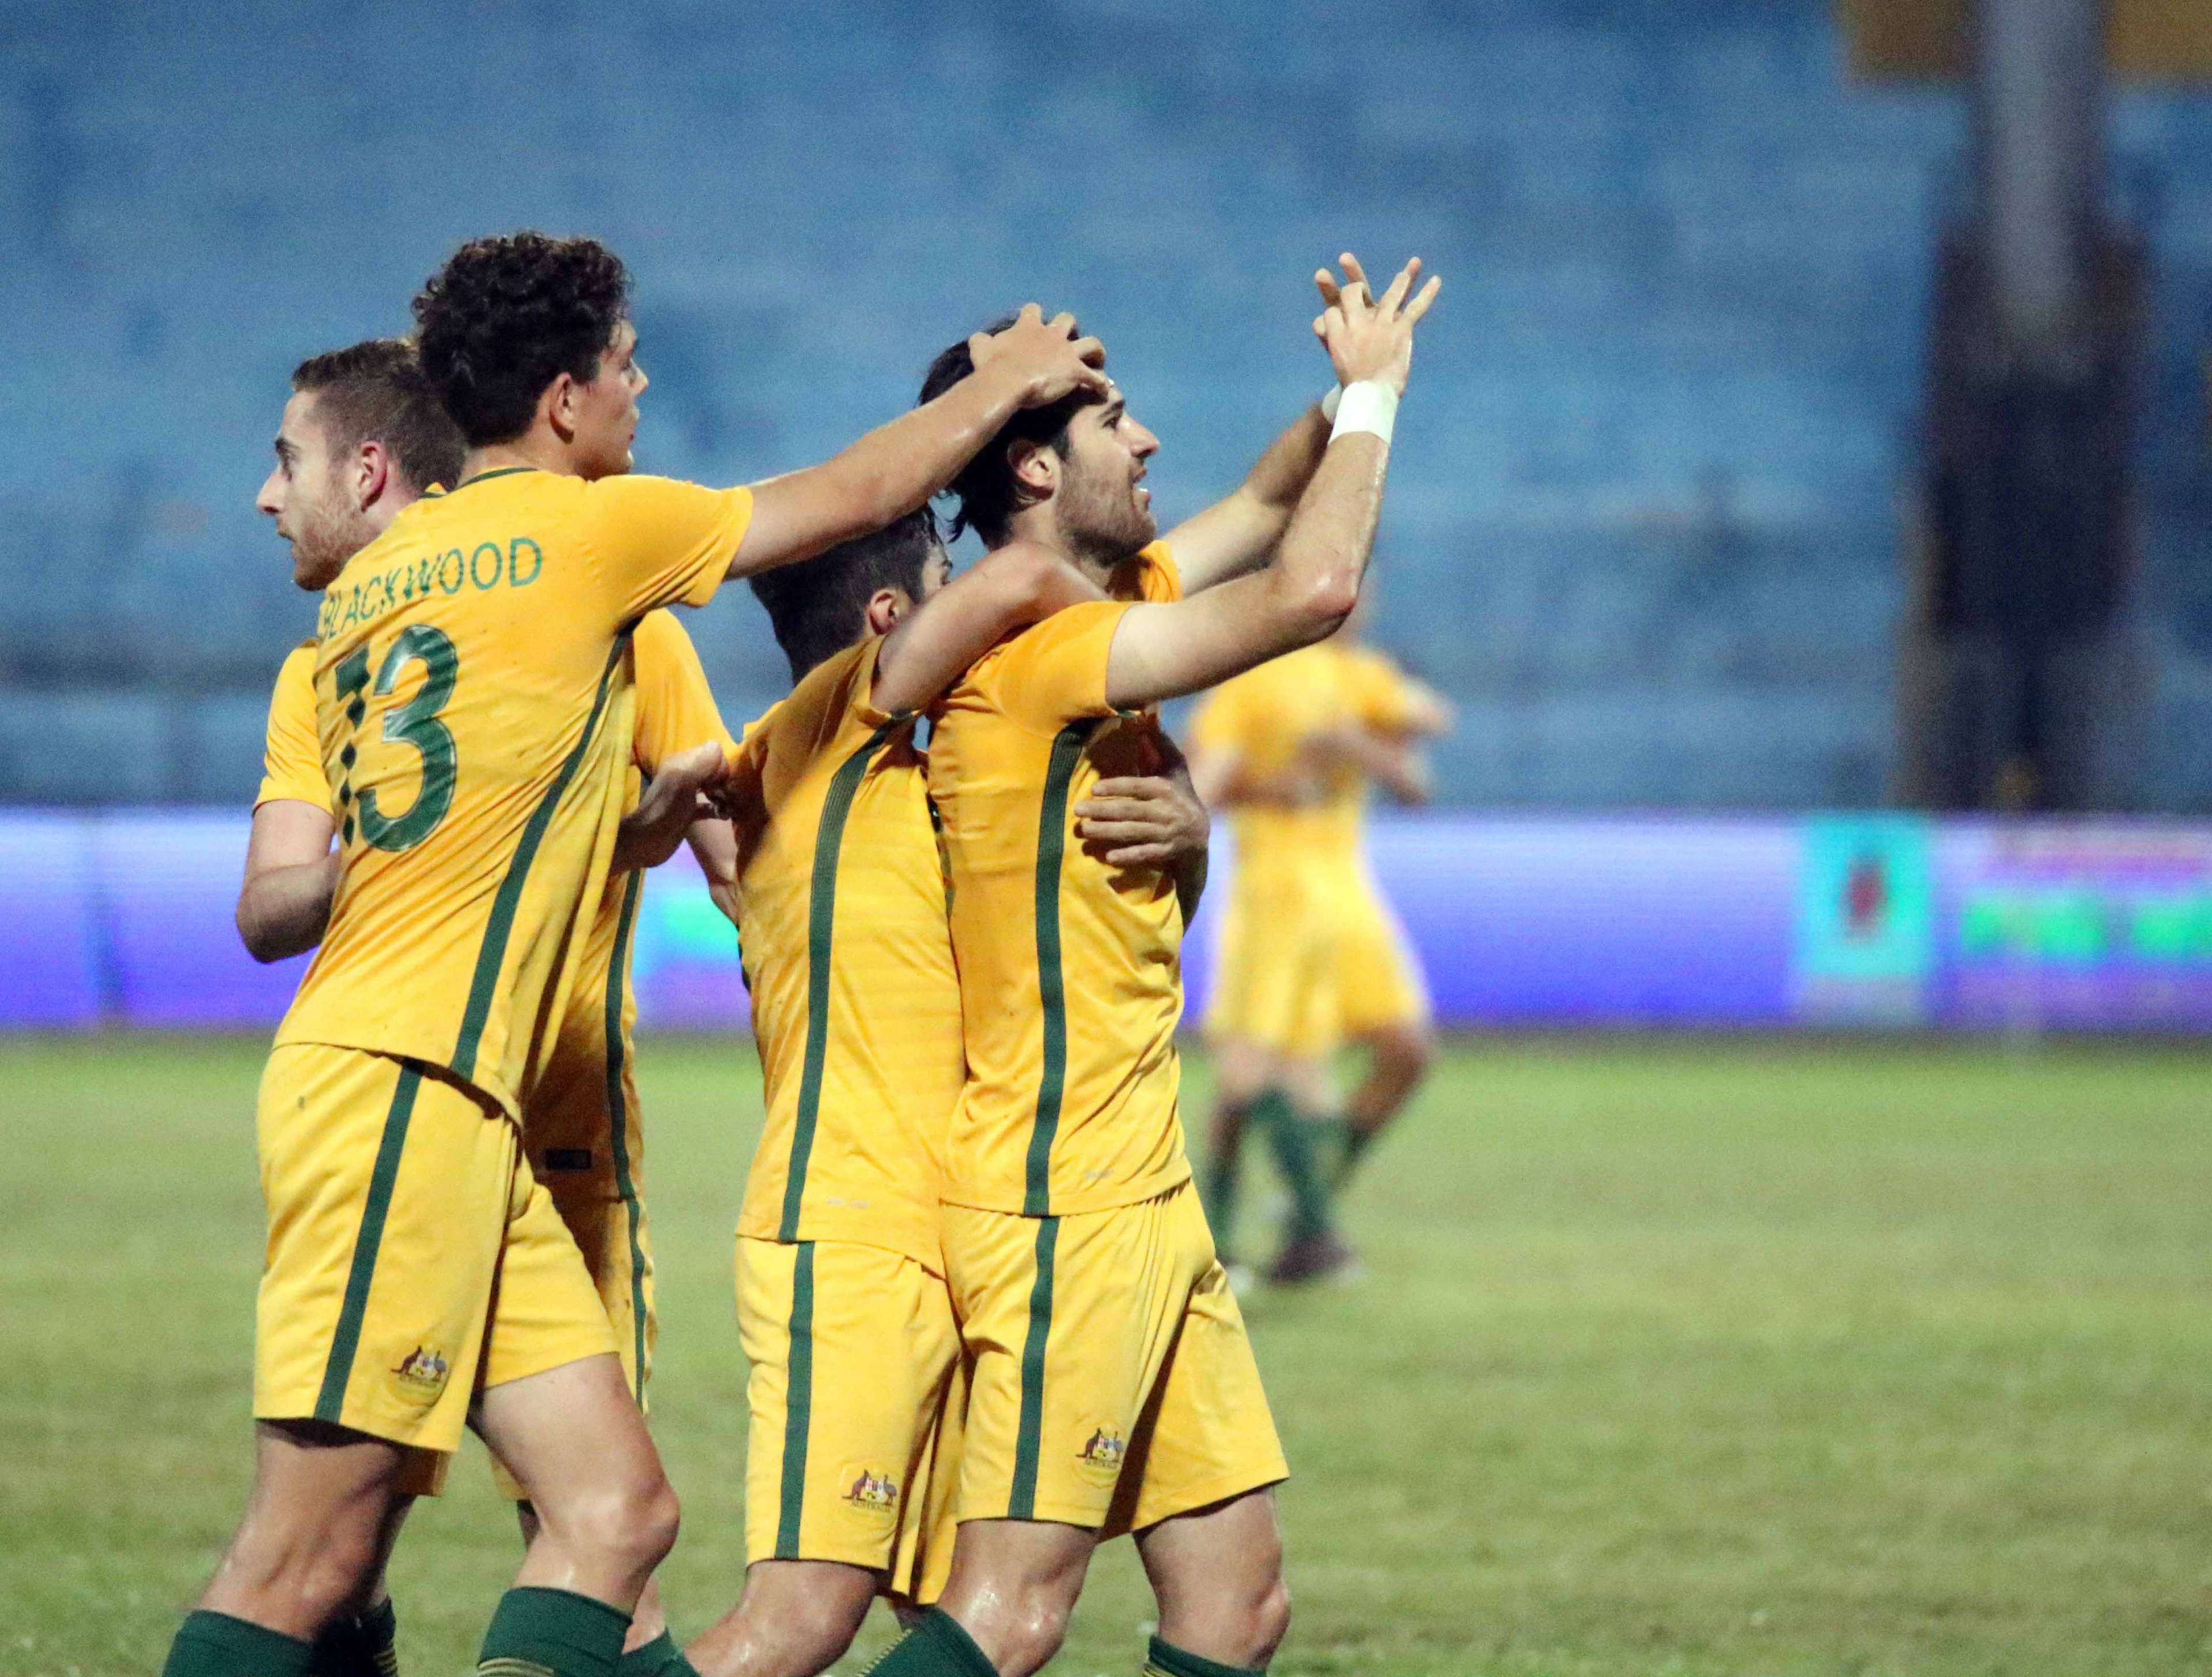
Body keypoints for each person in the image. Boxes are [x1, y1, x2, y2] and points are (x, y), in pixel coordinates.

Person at [161, 230, 1111, 1677]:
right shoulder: (585, 535)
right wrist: (1005, 386)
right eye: (622, 363)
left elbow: (475, 802)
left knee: (617, 1515)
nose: (639, 386)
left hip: (460, 1108)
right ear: (563, 400)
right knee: (308, 1557)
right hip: (403, 1086)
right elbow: (855, 496)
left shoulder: (371, 591)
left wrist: (622, 832)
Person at [865, 253, 1440, 1677]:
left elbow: (1267, 501)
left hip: (1145, 1191)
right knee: (1009, 1612)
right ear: (1032, 470)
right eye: (1112, 421)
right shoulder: (1044, 643)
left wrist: (1347, 383)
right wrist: (1373, 402)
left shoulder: (1102, 601)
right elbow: (1311, 584)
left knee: (1235, 1607)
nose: (1148, 440)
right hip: (1062, 1192)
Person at [684, 510, 1209, 1677]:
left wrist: (1188, 834)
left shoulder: (935, 784)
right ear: (893, 620)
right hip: (849, 1233)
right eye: (943, 578)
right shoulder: (811, 737)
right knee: (798, 1619)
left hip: (960, 1233)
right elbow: (1025, 576)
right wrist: (1123, 659)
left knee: (960, 1623)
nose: (972, 600)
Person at [1187, 604, 1452, 1284]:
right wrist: (1272, 785)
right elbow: (1201, 784)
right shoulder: (1250, 679)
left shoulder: (1361, 677)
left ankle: (1308, 1212)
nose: (1356, 599)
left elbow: (1426, 737)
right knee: (1251, 1070)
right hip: (1273, 894)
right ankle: (1234, 1239)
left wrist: (1353, 743)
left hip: (1346, 895)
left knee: (1402, 1051)